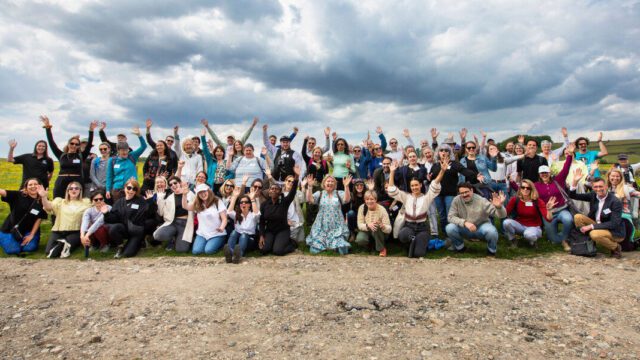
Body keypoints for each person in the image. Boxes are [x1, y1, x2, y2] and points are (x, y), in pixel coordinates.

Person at [388, 156, 447, 254]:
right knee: (403, 235)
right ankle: (412, 242)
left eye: (416, 185)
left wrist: (442, 171)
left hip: (422, 228)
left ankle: (421, 243)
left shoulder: (426, 198)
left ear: (420, 185)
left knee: (419, 254)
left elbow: (435, 185)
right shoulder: (406, 197)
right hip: (409, 226)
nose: (414, 187)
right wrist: (392, 172)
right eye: (412, 186)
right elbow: (392, 189)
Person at [41, 116, 97, 199]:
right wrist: (47, 127)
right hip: (61, 181)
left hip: (76, 182)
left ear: (78, 146)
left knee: (76, 203)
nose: (74, 145)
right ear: (68, 144)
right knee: (58, 201)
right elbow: (52, 143)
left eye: (76, 144)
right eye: (72, 143)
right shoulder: (61, 155)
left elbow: (89, 145)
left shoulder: (81, 156)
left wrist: (91, 131)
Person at [569, 176, 624, 258]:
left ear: (606, 186)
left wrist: (591, 226)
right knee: (578, 217)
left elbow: (614, 223)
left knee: (594, 234)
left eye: (601, 186)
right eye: (595, 187)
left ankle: (616, 248)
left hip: (613, 231)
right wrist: (575, 182)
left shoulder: (615, 201)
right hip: (598, 224)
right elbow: (573, 196)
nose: (598, 189)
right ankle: (586, 244)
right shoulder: (593, 195)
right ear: (592, 187)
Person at [446, 183, 507, 256]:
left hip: (481, 227)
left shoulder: (482, 200)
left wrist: (499, 207)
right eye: (462, 193)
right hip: (465, 228)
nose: (464, 195)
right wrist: (465, 223)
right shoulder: (456, 200)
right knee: (449, 228)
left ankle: (491, 251)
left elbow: (502, 216)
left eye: (466, 192)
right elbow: (450, 217)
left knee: (492, 231)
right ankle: (460, 248)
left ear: (472, 190)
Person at [430, 144, 476, 232]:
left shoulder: (454, 164)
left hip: (450, 194)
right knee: (441, 214)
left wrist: (476, 175)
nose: (443, 152)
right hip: (437, 194)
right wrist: (428, 178)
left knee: (450, 214)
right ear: (438, 153)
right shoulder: (435, 165)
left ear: (449, 153)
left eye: (446, 150)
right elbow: (432, 178)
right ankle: (444, 230)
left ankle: (451, 231)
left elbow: (464, 171)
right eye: (441, 150)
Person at [39, 181, 92, 258]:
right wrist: (43, 197)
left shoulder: (86, 202)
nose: (74, 190)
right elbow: (48, 207)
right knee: (48, 252)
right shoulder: (60, 201)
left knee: (59, 250)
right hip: (58, 231)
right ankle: (64, 243)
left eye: (76, 188)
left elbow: (96, 208)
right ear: (67, 191)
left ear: (80, 190)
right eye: (71, 188)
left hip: (75, 232)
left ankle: (66, 244)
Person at [101, 179, 151, 258]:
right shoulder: (119, 202)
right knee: (114, 228)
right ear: (125, 188)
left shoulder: (140, 200)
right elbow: (113, 219)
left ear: (136, 191)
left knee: (127, 254)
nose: (131, 191)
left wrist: (150, 202)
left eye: (134, 189)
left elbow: (148, 213)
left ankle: (141, 241)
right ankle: (120, 246)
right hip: (125, 229)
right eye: (129, 188)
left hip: (136, 231)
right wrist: (106, 213)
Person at [305, 175, 352, 255]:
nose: (330, 183)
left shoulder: (338, 193)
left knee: (343, 250)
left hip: (337, 227)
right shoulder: (319, 194)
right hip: (321, 226)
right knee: (314, 250)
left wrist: (346, 186)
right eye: (328, 181)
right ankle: (327, 246)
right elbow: (309, 200)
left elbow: (347, 200)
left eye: (332, 181)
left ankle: (331, 246)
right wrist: (309, 187)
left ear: (335, 184)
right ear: (324, 183)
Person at [0, 178, 47, 255]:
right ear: (26, 187)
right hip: (10, 229)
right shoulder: (18, 195)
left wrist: (31, 235)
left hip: (28, 231)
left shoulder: (43, 200)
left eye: (35, 184)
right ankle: (4, 238)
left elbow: (39, 219)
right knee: (13, 250)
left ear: (40, 186)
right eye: (30, 185)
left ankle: (20, 241)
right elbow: (3, 192)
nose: (33, 186)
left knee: (29, 248)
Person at [503, 179, 555, 248]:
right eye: (523, 187)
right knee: (506, 222)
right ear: (520, 189)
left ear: (532, 189)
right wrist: (499, 206)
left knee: (528, 235)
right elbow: (504, 214)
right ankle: (513, 240)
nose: (525, 189)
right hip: (520, 225)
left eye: (528, 188)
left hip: (534, 227)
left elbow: (549, 219)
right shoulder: (515, 199)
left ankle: (533, 241)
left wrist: (549, 210)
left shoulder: (538, 201)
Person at [259, 171, 299, 256]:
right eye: (272, 189)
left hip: (282, 230)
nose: (274, 190)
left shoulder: (284, 202)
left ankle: (292, 243)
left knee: (278, 251)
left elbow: (292, 192)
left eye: (276, 189)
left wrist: (296, 177)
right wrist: (262, 235)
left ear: (280, 192)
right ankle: (274, 243)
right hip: (270, 231)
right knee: (264, 250)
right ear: (269, 192)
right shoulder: (264, 205)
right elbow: (262, 221)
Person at [153, 177, 195, 253]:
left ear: (180, 183)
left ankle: (182, 239)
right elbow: (161, 213)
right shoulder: (169, 198)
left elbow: (196, 209)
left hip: (186, 224)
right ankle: (173, 237)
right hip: (173, 223)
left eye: (175, 183)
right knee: (157, 235)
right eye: (170, 184)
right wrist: (160, 199)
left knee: (181, 250)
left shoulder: (190, 194)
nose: (173, 185)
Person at [183, 183, 227, 255]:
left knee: (208, 251)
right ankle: (207, 243)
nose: (203, 194)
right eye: (200, 193)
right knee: (196, 251)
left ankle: (221, 244)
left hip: (217, 233)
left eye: (204, 191)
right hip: (202, 233)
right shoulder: (198, 204)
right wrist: (184, 195)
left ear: (208, 191)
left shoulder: (217, 201)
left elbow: (224, 219)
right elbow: (185, 207)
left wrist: (221, 228)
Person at [105, 127, 147, 201]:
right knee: (119, 209)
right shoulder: (112, 160)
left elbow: (144, 146)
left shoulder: (132, 156)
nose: (125, 152)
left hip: (132, 189)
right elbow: (109, 176)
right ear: (118, 151)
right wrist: (108, 190)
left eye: (126, 150)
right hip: (117, 190)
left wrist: (139, 135)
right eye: (122, 151)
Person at [225, 187, 260, 263]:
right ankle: (230, 254)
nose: (243, 203)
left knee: (244, 235)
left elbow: (257, 214)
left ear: (249, 205)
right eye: (241, 202)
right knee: (234, 232)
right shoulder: (237, 214)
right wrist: (234, 197)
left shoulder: (252, 215)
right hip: (238, 239)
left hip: (249, 240)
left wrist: (252, 199)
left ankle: (239, 255)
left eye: (246, 202)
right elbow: (229, 212)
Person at [605, 168, 640, 246]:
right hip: (609, 217)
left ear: (621, 178)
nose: (615, 178)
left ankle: (636, 242)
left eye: (618, 176)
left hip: (624, 217)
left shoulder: (626, 189)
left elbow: (637, 194)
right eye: (613, 176)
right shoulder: (604, 189)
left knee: (626, 247)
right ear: (608, 177)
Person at [355, 190, 392, 256]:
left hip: (380, 232)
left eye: (372, 199)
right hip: (367, 229)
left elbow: (389, 228)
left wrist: (383, 226)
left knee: (376, 226)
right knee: (360, 239)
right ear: (364, 200)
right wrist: (368, 225)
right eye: (367, 199)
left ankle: (382, 249)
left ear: (376, 199)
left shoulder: (382, 209)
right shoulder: (362, 208)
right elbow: (359, 224)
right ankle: (369, 246)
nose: (369, 201)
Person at [200, 128, 231, 193]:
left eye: (221, 151)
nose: (219, 153)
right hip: (211, 185)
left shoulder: (226, 162)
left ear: (223, 153)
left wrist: (225, 178)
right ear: (214, 153)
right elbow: (205, 150)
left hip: (223, 186)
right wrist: (203, 137)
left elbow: (232, 174)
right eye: (217, 151)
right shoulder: (211, 161)